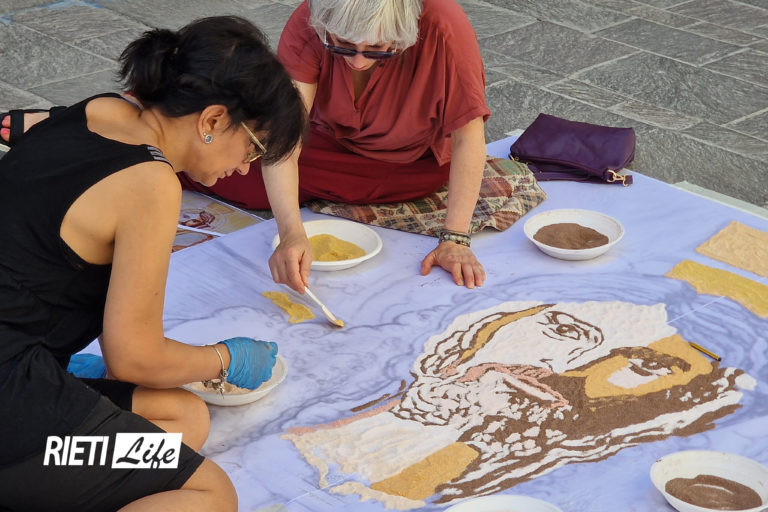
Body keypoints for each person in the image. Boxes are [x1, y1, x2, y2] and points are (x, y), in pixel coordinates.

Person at [0, 16, 304, 512]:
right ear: (212, 120)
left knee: (182, 418)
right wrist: (225, 359)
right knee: (210, 494)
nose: (246, 166)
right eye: (255, 146)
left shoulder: (102, 108)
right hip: (13, 397)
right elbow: (135, 358)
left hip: (25, 359)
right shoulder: (150, 181)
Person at [178, 0, 491, 291]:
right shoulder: (312, 19)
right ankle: (170, 156)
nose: (358, 62)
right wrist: (291, 233)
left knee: (243, 172)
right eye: (342, 45)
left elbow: (468, 136)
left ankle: (176, 158)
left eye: (377, 50)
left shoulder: (443, 26)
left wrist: (455, 239)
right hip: (325, 141)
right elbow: (286, 134)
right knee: (235, 159)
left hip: (408, 162)